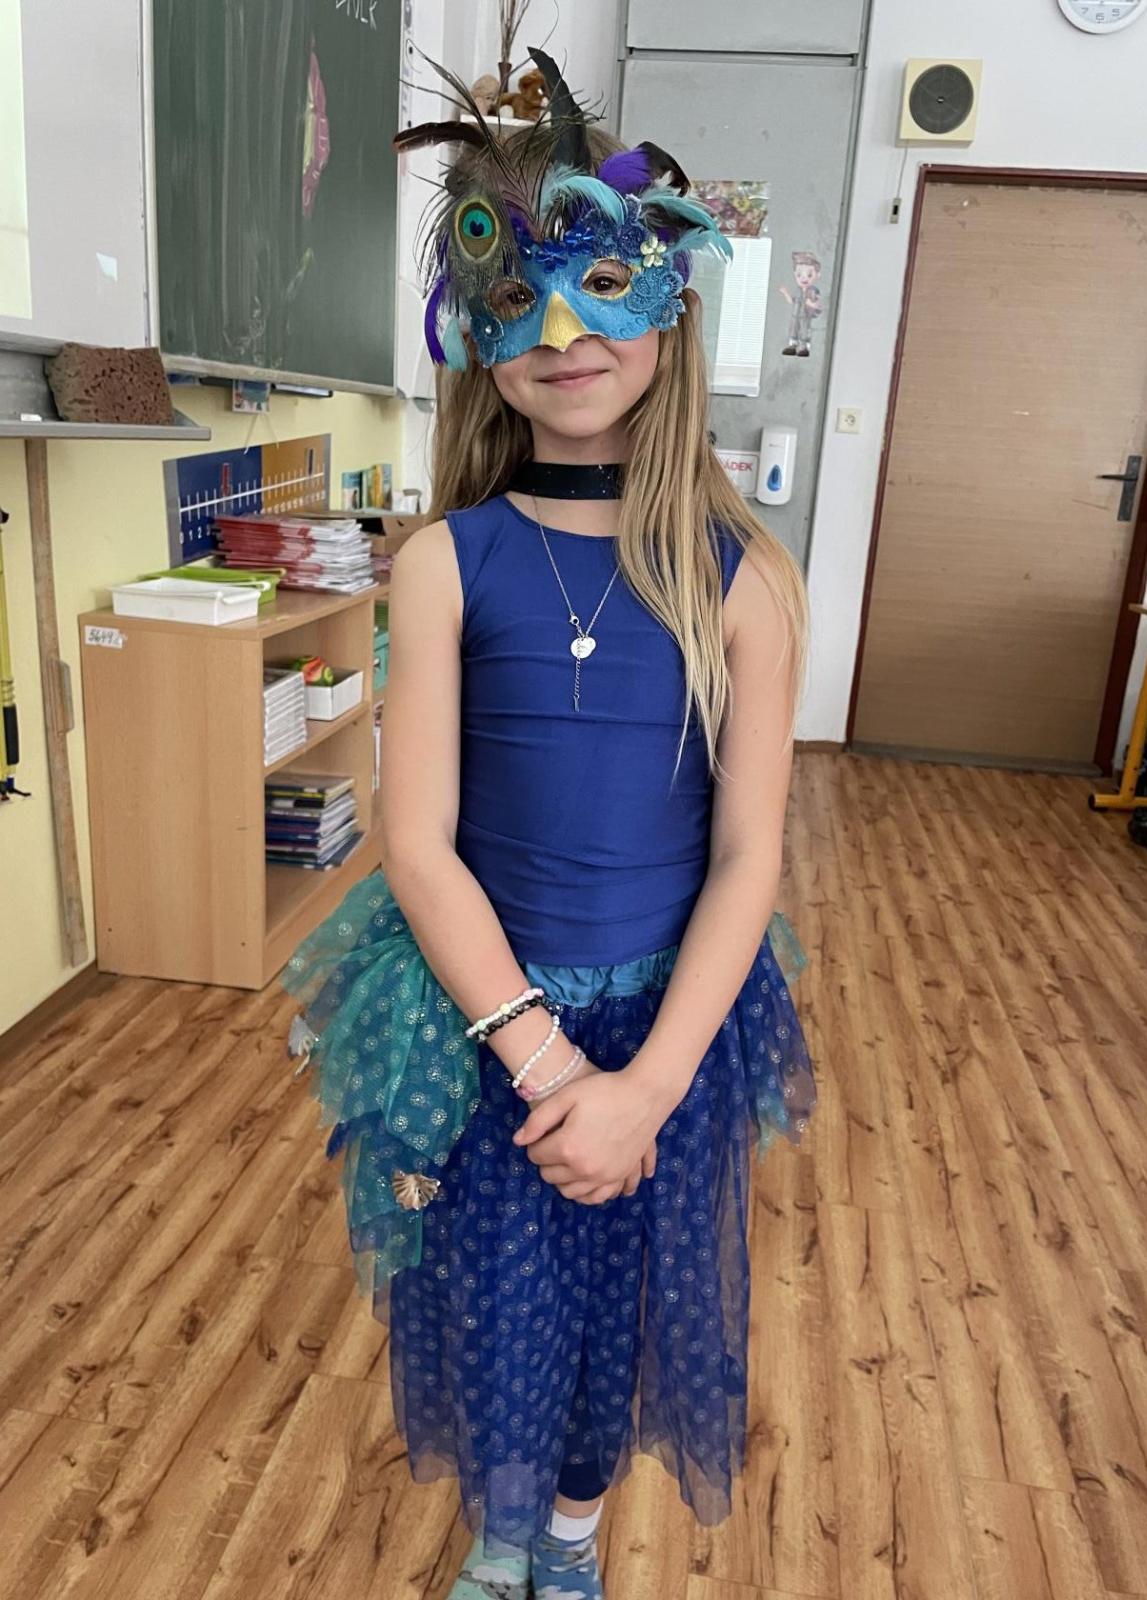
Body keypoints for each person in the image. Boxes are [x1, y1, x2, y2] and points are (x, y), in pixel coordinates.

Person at [283, 50, 816, 1600]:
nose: (565, 334)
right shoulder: (445, 563)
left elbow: (749, 855)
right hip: (488, 1026)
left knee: (618, 1311)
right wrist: (546, 1065)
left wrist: (643, 1086)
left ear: (669, 299)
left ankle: (571, 1537)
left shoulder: (744, 582)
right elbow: (419, 843)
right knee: (492, 1296)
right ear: (473, 330)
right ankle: (509, 1530)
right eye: (519, 296)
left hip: (669, 1028)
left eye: (599, 282)